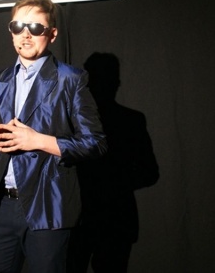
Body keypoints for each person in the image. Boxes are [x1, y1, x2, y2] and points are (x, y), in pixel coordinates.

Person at [0, 0, 107, 273]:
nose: (26, 34)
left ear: (52, 34)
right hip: (0, 207)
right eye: (18, 26)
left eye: (35, 27)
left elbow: (95, 143)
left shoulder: (70, 79)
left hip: (47, 206)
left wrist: (38, 141)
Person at [67, 52, 160, 273]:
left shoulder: (72, 123)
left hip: (98, 219)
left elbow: (149, 173)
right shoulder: (130, 120)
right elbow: (149, 173)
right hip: (102, 218)